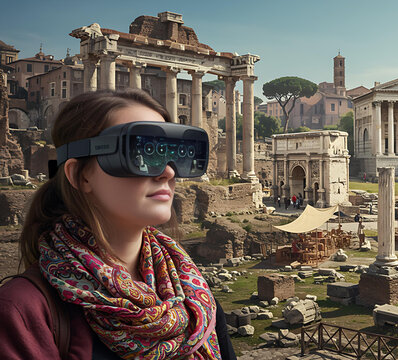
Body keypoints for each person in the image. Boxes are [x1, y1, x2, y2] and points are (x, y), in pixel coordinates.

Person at [0, 90, 235, 359]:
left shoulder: (196, 297)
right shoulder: (22, 312)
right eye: (142, 152)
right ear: (80, 175)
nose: (168, 172)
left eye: (172, 154)